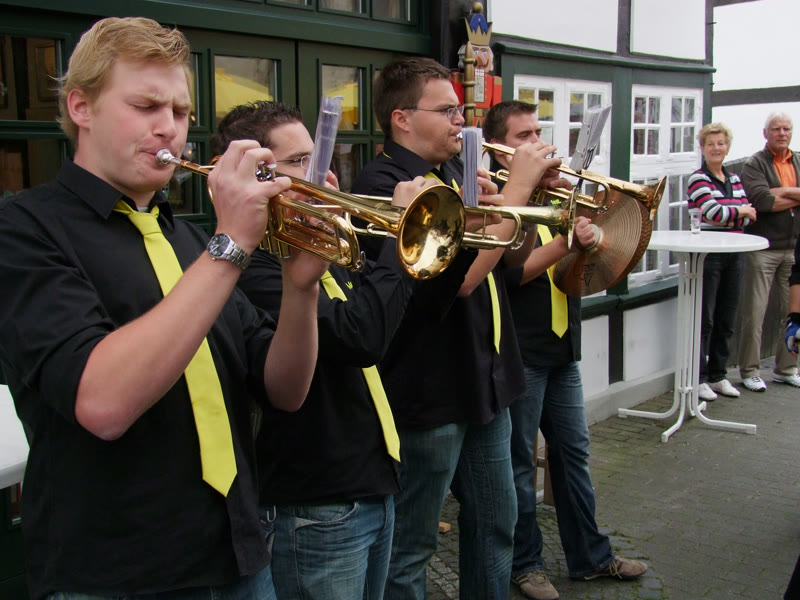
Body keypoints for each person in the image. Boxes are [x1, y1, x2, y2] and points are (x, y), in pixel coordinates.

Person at [0, 17, 330, 600]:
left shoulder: (188, 240)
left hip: (239, 555)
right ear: (81, 107)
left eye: (180, 112)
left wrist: (301, 289)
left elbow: (285, 390)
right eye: (146, 106)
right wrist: (231, 246)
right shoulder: (24, 229)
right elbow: (103, 403)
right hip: (118, 577)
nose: (168, 128)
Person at [210, 100, 470, 600]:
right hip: (315, 501)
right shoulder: (253, 265)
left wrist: (435, 238)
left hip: (370, 479)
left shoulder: (326, 248)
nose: (324, 176)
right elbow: (361, 336)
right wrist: (399, 236)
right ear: (252, 173)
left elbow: (407, 312)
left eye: (320, 158)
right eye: (299, 162)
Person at [351, 57, 561, 600]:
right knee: (412, 546)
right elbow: (461, 281)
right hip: (430, 393)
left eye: (459, 109)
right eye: (446, 110)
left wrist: (518, 205)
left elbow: (509, 262)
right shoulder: (384, 184)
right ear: (401, 118)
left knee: (496, 526)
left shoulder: (451, 175)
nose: (460, 120)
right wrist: (514, 198)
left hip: (483, 379)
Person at [483, 100, 648, 600]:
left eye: (538, 132)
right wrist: (564, 243)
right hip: (522, 351)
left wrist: (595, 241)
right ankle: (525, 564)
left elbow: (574, 276)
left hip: (562, 347)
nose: (537, 142)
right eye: (523, 136)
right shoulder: (500, 200)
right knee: (519, 463)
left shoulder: (560, 193)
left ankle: (591, 557)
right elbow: (509, 275)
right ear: (501, 149)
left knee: (573, 454)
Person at [686, 122, 757, 401]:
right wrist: (739, 211)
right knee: (705, 319)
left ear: (728, 147)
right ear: (702, 148)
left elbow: (748, 216)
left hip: (734, 254)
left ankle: (718, 375)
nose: (716, 148)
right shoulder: (697, 179)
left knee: (726, 318)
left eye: (721, 143)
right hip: (709, 255)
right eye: (711, 144)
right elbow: (712, 213)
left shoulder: (735, 179)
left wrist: (734, 214)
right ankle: (699, 378)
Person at [738, 112, 800, 392]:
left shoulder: (798, 160)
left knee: (794, 312)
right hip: (763, 247)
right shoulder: (755, 164)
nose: (782, 133)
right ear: (766, 133)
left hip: (794, 249)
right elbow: (763, 201)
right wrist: (794, 194)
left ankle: (786, 369)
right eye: (776, 129)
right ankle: (750, 370)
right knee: (755, 312)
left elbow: (773, 197)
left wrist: (782, 191)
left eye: (786, 128)